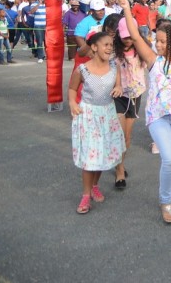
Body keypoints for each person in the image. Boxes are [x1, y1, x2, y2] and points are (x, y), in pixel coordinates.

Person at [119, 0, 171, 223]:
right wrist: (126, 9)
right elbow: (135, 36)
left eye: (162, 41)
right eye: (157, 41)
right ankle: (166, 201)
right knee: (170, 159)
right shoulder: (153, 60)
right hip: (157, 117)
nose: (158, 45)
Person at [68, 31, 125, 214]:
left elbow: (118, 84)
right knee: (89, 158)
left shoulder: (114, 66)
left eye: (111, 45)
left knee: (102, 155)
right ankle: (85, 195)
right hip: (88, 116)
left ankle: (95, 186)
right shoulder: (82, 70)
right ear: (94, 47)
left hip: (107, 115)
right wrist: (72, 103)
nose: (109, 48)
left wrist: (118, 87)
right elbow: (72, 89)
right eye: (105, 44)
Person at [112, 18, 147, 189]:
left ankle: (120, 163)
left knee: (126, 136)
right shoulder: (112, 50)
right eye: (124, 36)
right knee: (119, 134)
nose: (127, 39)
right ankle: (119, 172)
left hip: (135, 96)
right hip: (118, 95)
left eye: (130, 36)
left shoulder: (142, 49)